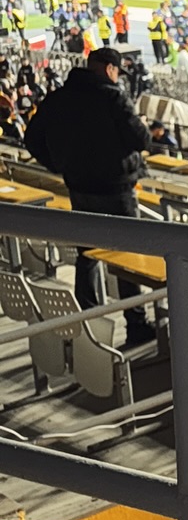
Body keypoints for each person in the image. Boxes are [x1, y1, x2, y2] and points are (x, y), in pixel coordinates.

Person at [23, 48, 151, 347]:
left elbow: (32, 139)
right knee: (127, 256)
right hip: (117, 189)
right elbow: (141, 140)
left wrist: (58, 165)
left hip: (79, 187)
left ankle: (89, 322)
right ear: (109, 69)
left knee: (87, 255)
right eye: (117, 72)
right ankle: (136, 324)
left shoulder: (59, 98)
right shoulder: (113, 97)